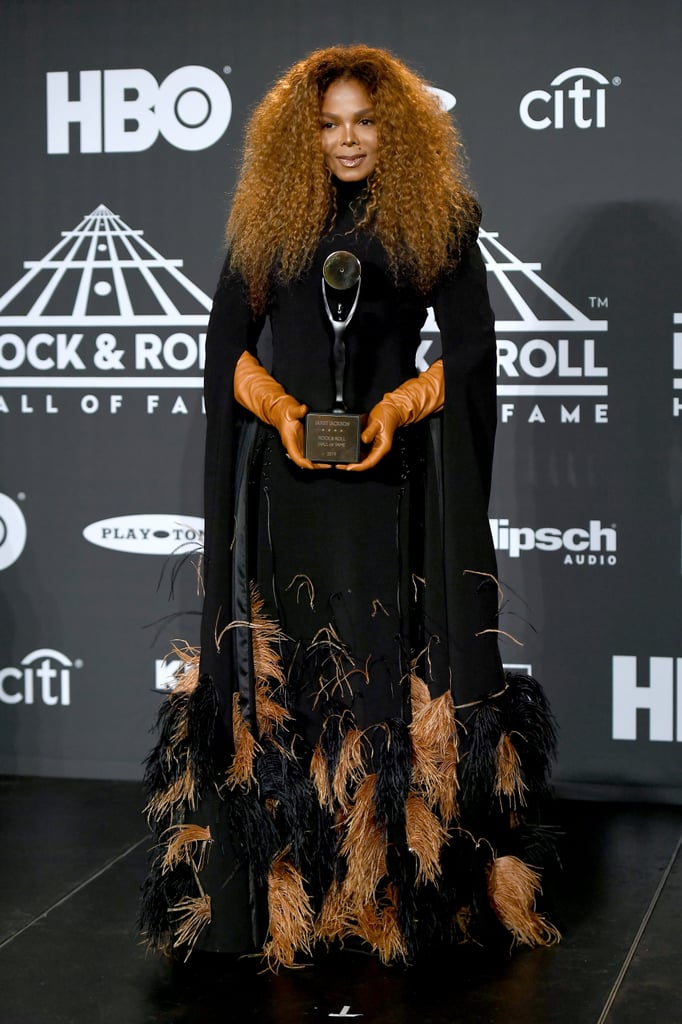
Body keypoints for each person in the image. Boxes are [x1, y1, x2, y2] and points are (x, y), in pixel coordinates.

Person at [141, 44, 560, 969]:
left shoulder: (437, 222)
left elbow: (474, 353)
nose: (347, 139)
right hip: (289, 489)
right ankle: (297, 897)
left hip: (386, 487)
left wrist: (399, 406)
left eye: (365, 120)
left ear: (395, 127)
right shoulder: (267, 225)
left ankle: (383, 894)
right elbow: (228, 352)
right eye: (329, 123)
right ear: (305, 134)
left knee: (378, 667)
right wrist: (287, 413)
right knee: (290, 666)